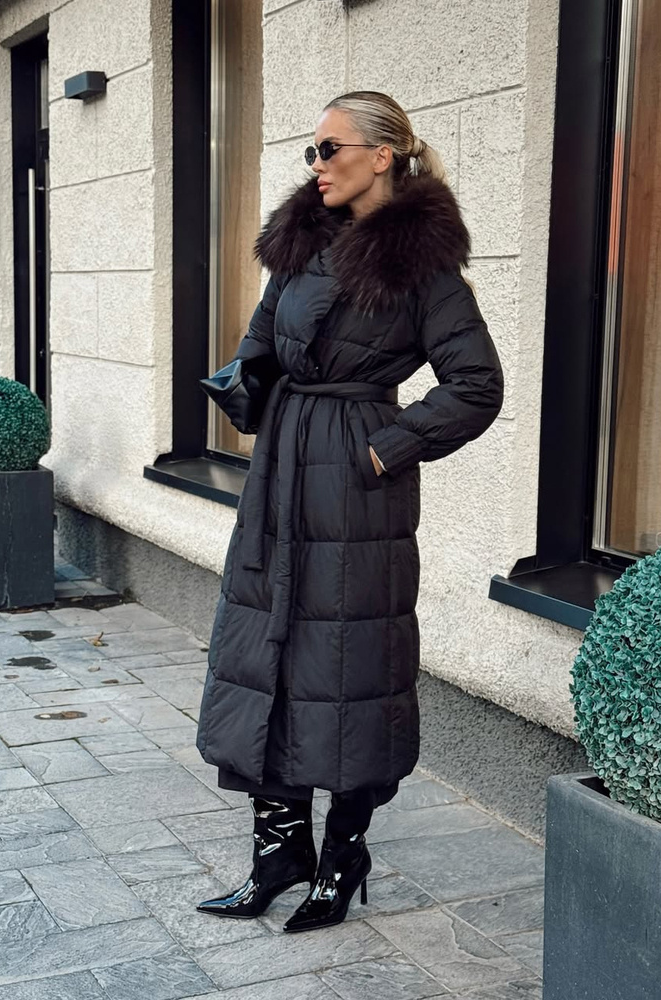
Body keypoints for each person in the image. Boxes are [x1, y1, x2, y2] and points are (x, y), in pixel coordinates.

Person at [195, 90, 504, 933]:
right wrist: (242, 383)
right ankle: (276, 853)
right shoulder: (299, 244)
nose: (316, 164)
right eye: (312, 150)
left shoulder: (423, 266)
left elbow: (476, 385)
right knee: (265, 652)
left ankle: (341, 857)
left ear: (382, 155)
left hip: (359, 489)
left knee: (350, 666)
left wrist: (383, 448)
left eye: (330, 148)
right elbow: (261, 342)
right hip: (280, 479)